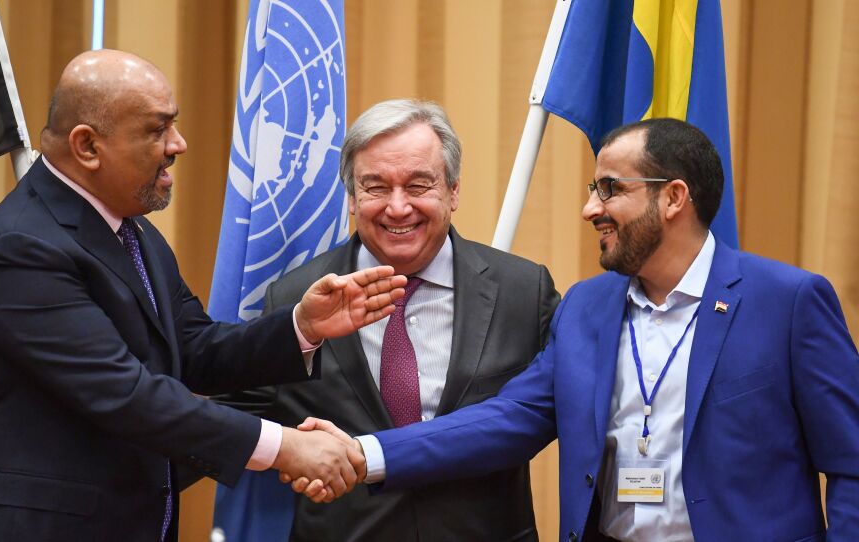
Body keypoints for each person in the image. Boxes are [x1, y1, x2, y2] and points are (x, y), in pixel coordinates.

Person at [297, 118, 859, 540]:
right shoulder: (586, 307)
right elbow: (511, 417)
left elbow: (852, 463)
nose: (590, 209)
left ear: (673, 198)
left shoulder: (787, 303)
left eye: (610, 189)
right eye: (593, 190)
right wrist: (364, 453)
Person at [0, 49, 407, 542]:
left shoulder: (130, 229)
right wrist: (284, 447)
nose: (178, 144)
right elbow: (125, 393)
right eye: (157, 129)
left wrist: (301, 328)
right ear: (88, 146)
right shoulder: (20, 248)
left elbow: (193, 350)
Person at [216, 99, 560, 541]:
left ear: (453, 191)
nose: (398, 208)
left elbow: (553, 411)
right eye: (376, 187)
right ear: (352, 197)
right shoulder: (295, 298)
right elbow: (228, 420)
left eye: (418, 185)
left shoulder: (522, 292)